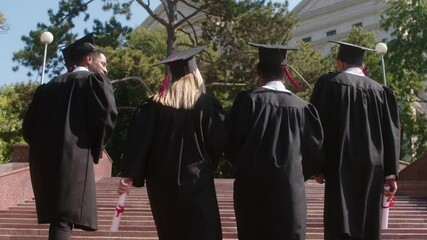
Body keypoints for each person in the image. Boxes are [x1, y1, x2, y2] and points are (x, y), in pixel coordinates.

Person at [118, 46, 226, 240]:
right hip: (196, 181)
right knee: (204, 232)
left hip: (161, 184)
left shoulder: (152, 105)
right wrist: (212, 162)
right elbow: (218, 142)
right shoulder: (207, 104)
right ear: (195, 75)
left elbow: (139, 142)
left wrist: (130, 173)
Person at [22, 33, 117, 240]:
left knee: (59, 218)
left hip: (45, 161)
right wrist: (95, 145)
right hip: (75, 157)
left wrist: (44, 148)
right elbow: (107, 117)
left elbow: (28, 128)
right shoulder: (94, 82)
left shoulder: (46, 89)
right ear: (88, 59)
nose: (105, 69)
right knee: (64, 219)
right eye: (103, 63)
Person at [226, 42, 324, 240]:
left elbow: (231, 144)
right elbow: (314, 152)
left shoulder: (248, 101)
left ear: (259, 72)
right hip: (290, 192)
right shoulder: (302, 107)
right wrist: (294, 173)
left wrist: (248, 166)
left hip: (252, 189)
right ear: (285, 73)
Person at [310, 40, 401, 240]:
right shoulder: (380, 91)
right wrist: (391, 173)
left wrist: (318, 167)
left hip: (339, 163)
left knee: (340, 220)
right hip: (373, 166)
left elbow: (316, 127)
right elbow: (391, 132)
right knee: (367, 220)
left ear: (341, 63)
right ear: (361, 65)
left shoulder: (329, 85)